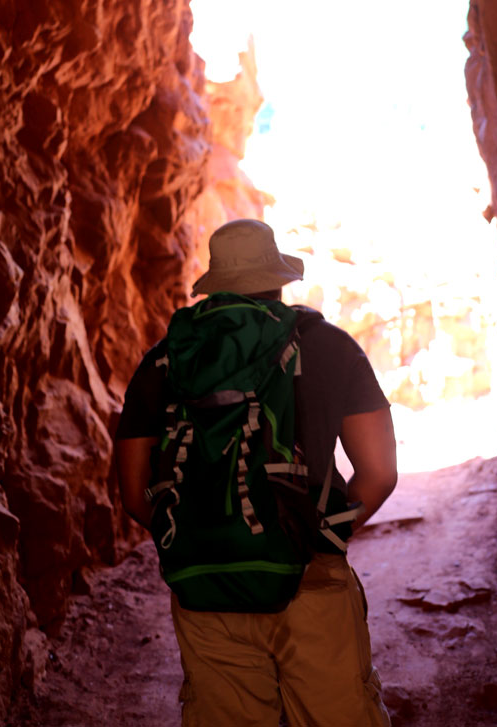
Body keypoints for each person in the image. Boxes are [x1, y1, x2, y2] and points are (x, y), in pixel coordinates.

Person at [115, 218, 397, 726]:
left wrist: (201, 539)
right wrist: (324, 536)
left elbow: (134, 493)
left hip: (206, 588)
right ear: (278, 279)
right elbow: (379, 473)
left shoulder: (165, 359)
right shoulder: (330, 347)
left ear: (215, 284)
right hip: (308, 577)